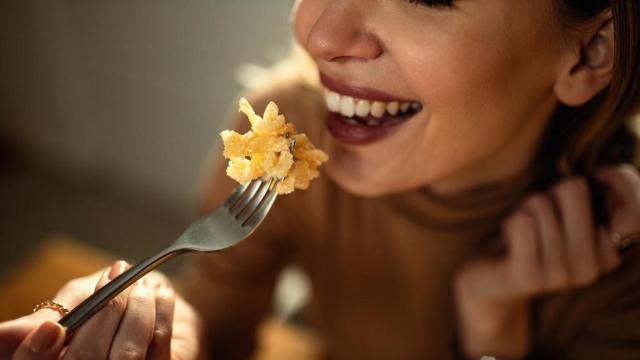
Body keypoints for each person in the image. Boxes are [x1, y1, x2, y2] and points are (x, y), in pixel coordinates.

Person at [2, 0, 640, 358]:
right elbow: (221, 317)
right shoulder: (291, 129)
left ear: (590, 50)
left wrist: (495, 332)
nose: (319, 32)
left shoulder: (622, 262)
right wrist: (163, 334)